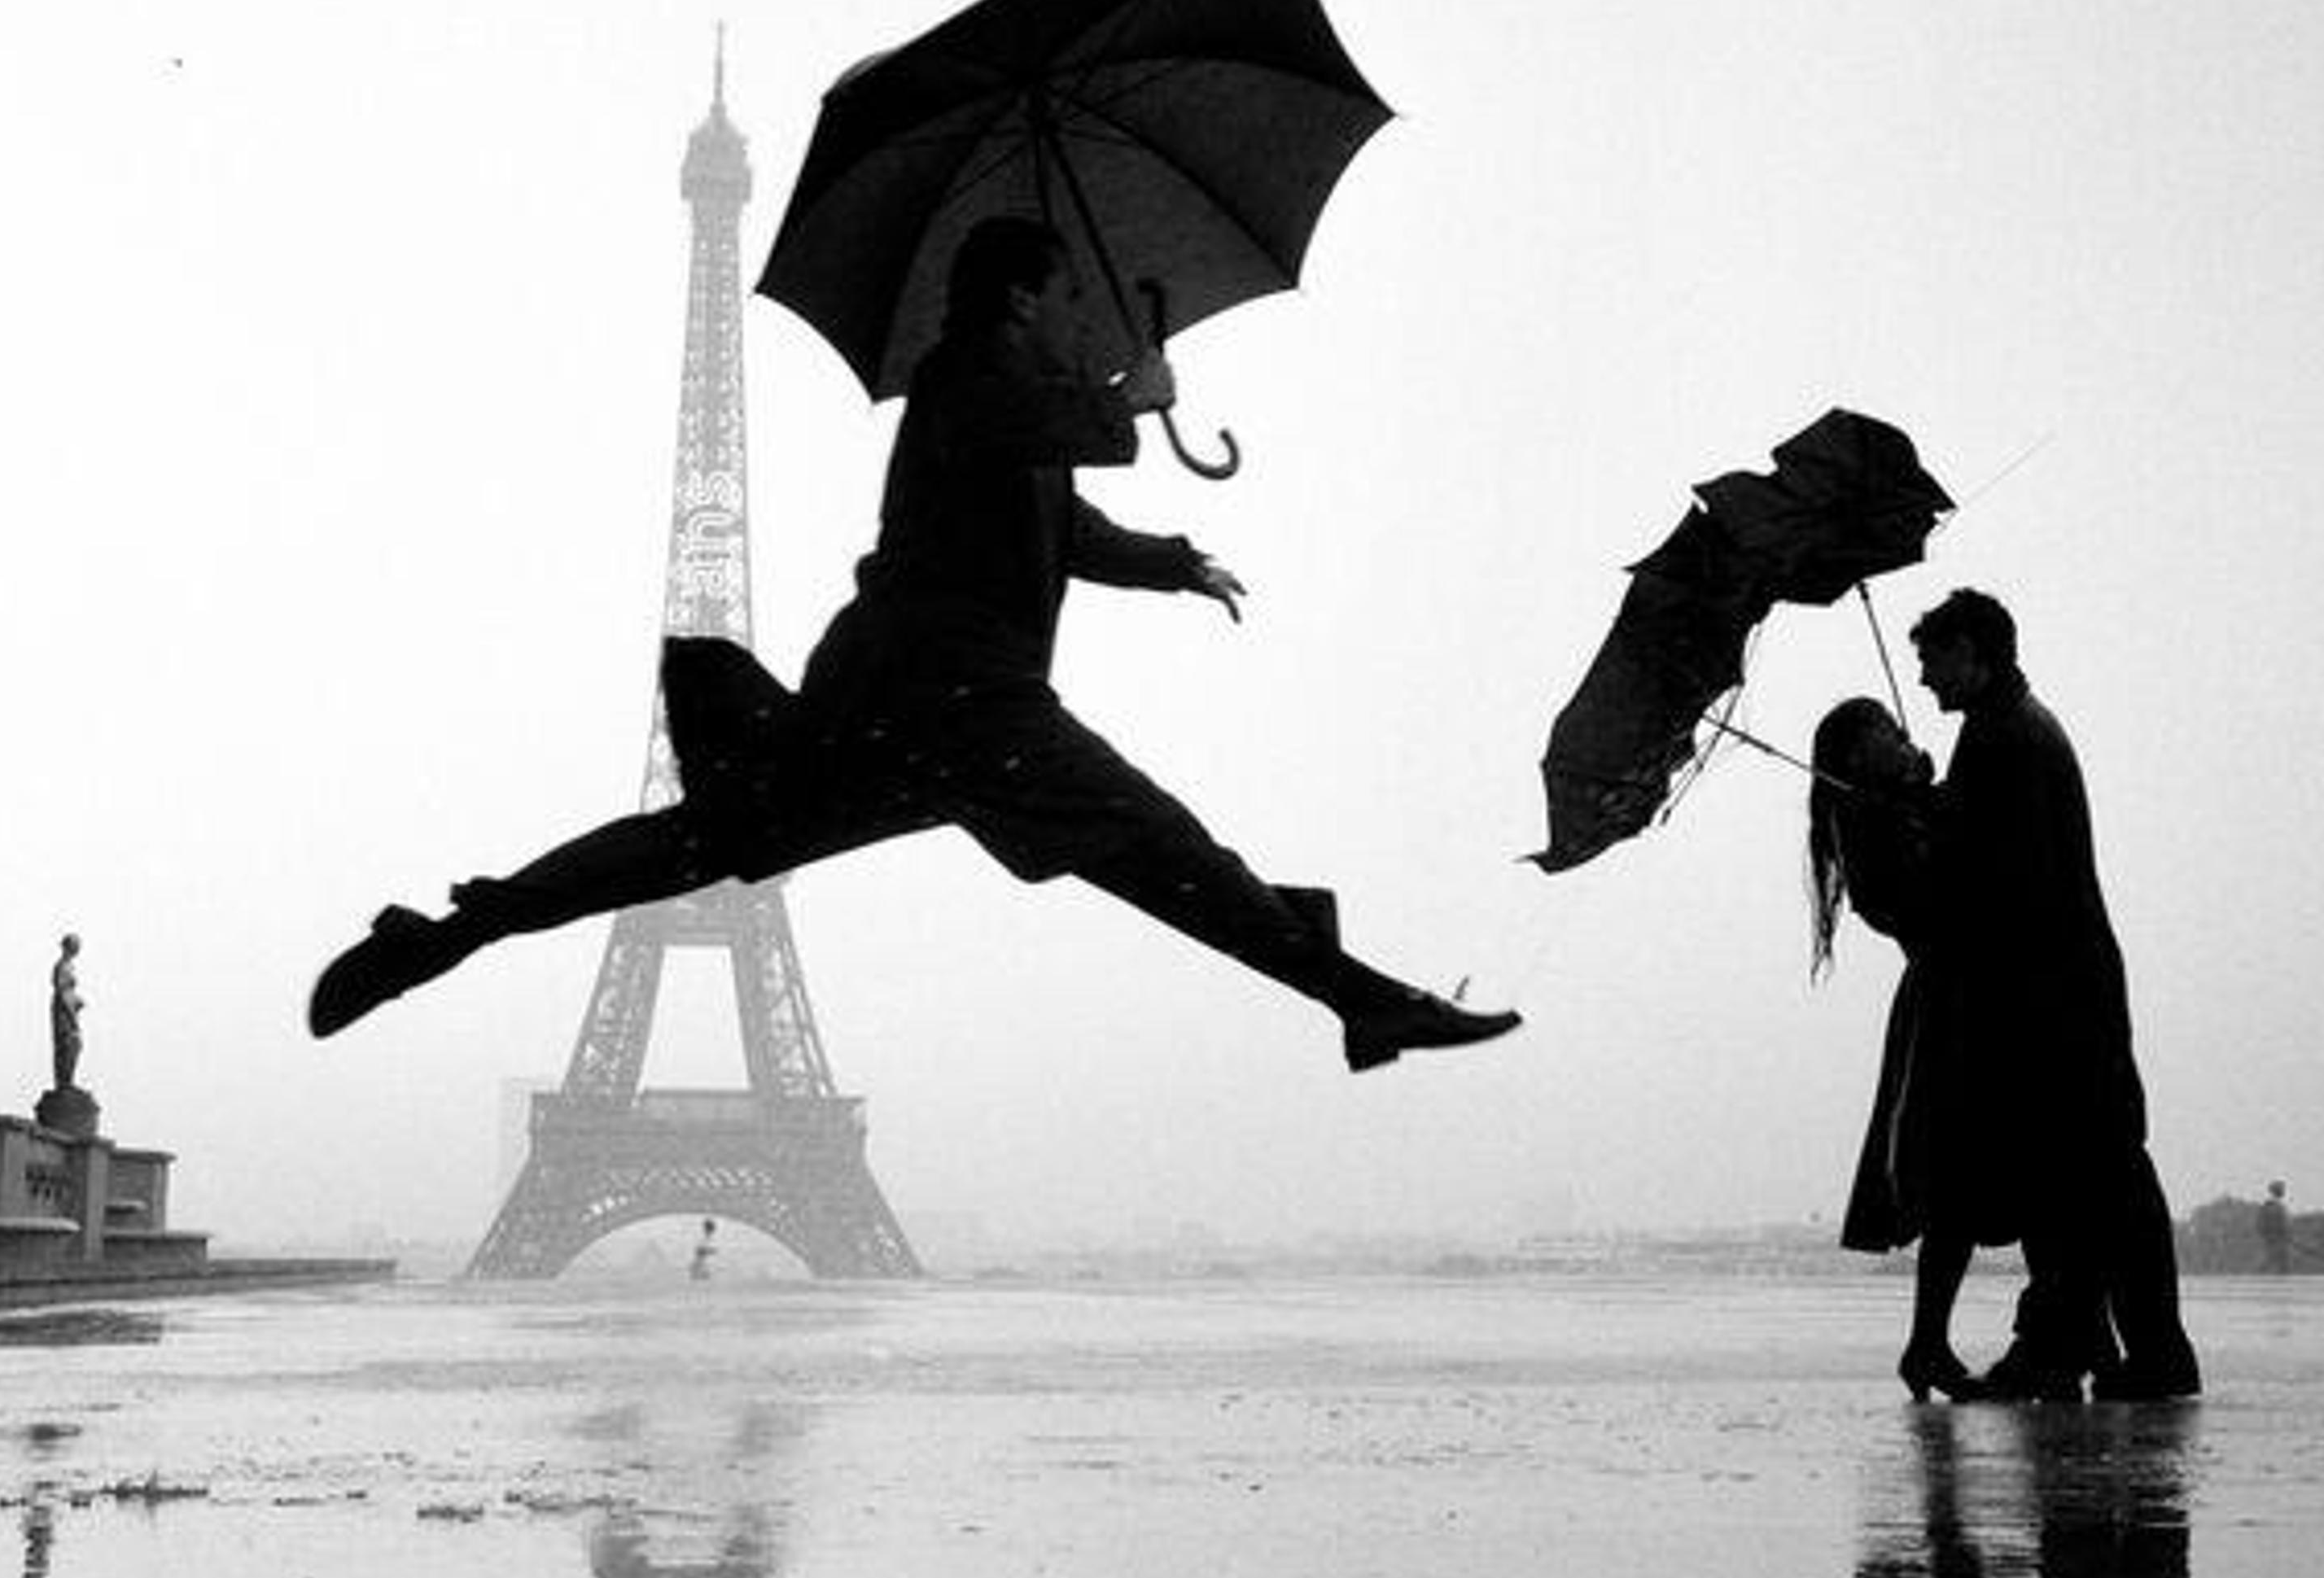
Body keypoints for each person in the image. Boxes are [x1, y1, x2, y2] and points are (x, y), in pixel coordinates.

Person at [309, 216, 1521, 1074]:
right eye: (1071, 300)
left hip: (895, 706)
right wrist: (1132, 400)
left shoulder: (1006, 405)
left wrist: (1172, 561)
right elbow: (1051, 440)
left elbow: (1065, 522)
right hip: (956, 698)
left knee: (699, 842)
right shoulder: (966, 379)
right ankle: (1364, 1001)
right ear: (1019, 300)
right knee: (1159, 846)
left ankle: (455, 929)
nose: (1086, 321)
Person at [1907, 588, 2199, 1403]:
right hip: (2069, 993)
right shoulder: (2011, 730)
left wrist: (1924, 816)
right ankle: (2126, 1350)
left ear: (1974, 651)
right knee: (2099, 1177)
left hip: (2051, 1001)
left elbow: (1995, 881)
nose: (1925, 680)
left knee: (2076, 1179)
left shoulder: (2005, 738)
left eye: (1933, 659)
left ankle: (2072, 1348)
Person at [1805, 697, 2016, 1403]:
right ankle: (1927, 1343)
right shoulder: (1867, 822)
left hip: (1960, 998)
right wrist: (1927, 808)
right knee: (1952, 1177)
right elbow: (1929, 900)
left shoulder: (1894, 807)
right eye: (1887, 735)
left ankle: (1928, 1344)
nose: (1903, 739)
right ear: (1858, 754)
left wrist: (1926, 799)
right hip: (1947, 1007)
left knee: (1959, 1179)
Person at [49, 934, 84, 1093]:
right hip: (64, 1011)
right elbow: (62, 992)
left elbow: (68, 992)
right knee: (69, 1046)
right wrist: (71, 1014)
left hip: (68, 1008)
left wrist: (77, 1002)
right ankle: (65, 1083)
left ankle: (67, 1081)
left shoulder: (68, 965)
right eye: (75, 945)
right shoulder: (62, 966)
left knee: (72, 1046)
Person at [2257, 1181, 2292, 1274]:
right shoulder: (2275, 1207)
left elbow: (2260, 1226)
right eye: (2282, 1189)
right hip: (2276, 1241)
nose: (2284, 1192)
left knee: (2274, 1264)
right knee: (2277, 1265)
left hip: (2275, 1241)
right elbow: (2283, 1225)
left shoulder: (2268, 1206)